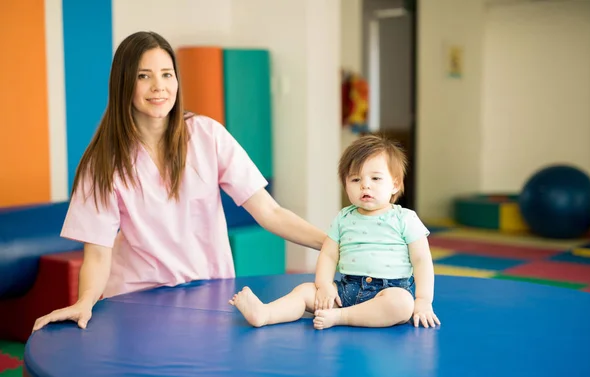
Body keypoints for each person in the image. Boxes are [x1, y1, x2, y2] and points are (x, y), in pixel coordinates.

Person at [32, 31, 326, 332]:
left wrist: (329, 244)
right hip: (137, 298)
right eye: (144, 76)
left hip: (210, 293)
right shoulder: (104, 161)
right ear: (124, 83)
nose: (159, 86)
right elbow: (96, 253)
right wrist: (85, 301)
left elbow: (270, 212)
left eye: (167, 74)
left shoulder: (207, 135)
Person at [230, 134, 441, 329]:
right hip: (346, 290)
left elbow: (422, 260)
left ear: (395, 184)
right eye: (356, 179)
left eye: (375, 179)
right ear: (345, 185)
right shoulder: (343, 218)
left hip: (388, 291)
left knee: (403, 304)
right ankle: (266, 314)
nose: (365, 186)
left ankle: (342, 317)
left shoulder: (405, 218)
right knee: (304, 291)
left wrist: (422, 301)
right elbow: (329, 254)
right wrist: (324, 286)